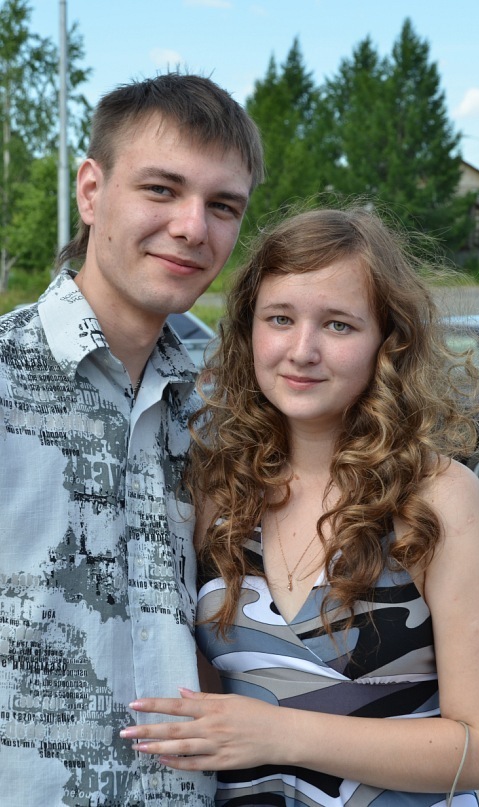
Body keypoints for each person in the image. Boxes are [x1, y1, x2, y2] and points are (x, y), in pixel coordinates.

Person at [120, 206, 479, 806]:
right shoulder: (217, 492)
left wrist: (278, 732)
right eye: (280, 318)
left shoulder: (437, 496)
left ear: (388, 342)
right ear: (249, 331)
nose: (302, 350)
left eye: (338, 325)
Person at [0, 72, 263, 806]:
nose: (192, 227)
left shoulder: (219, 414)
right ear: (91, 191)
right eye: (161, 189)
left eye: (222, 205)